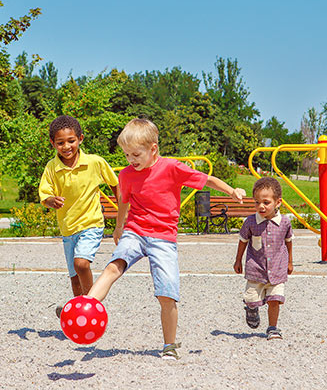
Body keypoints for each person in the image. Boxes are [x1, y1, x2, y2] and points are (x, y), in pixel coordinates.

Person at [87, 118, 247, 360]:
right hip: (135, 230)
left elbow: (207, 180)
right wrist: (119, 227)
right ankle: (86, 307)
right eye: (127, 155)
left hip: (163, 237)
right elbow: (124, 202)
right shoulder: (127, 175)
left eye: (135, 154)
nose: (130, 160)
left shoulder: (172, 168)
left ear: (153, 149)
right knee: (113, 266)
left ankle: (169, 345)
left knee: (166, 293)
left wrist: (232, 191)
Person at [39, 115, 119, 314]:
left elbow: (116, 184)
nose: (66, 146)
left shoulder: (94, 163)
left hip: (91, 223)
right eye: (60, 143)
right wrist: (51, 200)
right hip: (68, 229)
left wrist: (123, 212)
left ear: (80, 139)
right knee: (74, 278)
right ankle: (78, 314)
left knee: (81, 264)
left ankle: (92, 306)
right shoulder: (52, 168)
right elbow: (45, 194)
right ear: (53, 143)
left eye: (71, 141)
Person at [233, 176, 293, 340]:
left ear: (278, 202)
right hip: (256, 270)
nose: (261, 206)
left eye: (266, 202)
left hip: (278, 270)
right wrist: (238, 260)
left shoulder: (285, 223)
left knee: (275, 299)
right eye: (257, 202)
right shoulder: (251, 222)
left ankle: (273, 328)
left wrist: (289, 262)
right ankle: (251, 308)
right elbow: (243, 241)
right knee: (252, 299)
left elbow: (288, 242)